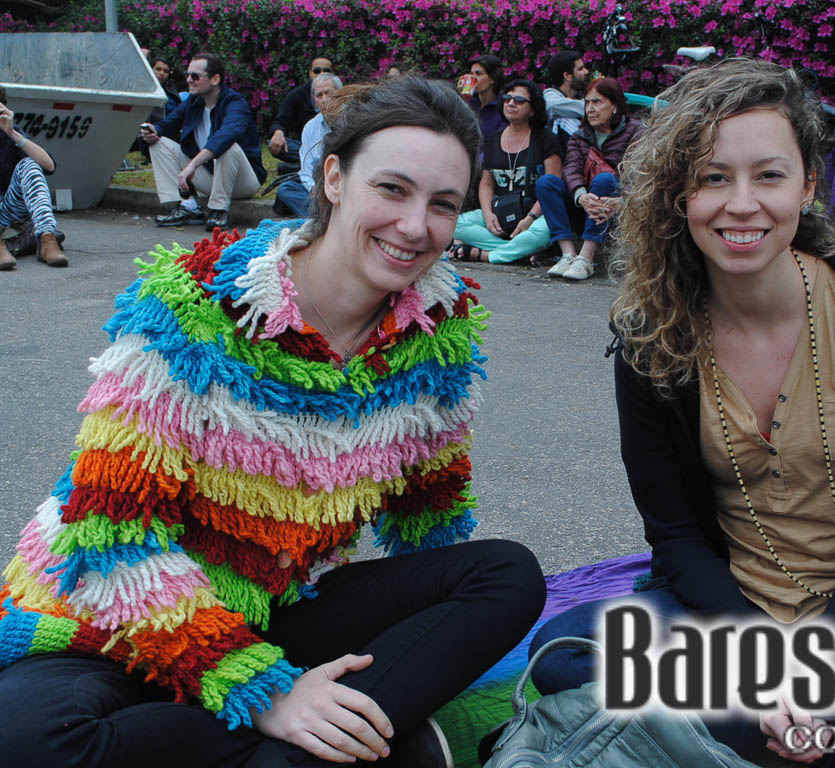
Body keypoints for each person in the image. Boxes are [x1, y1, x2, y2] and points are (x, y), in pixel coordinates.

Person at [0, 75, 546, 768]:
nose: (417, 227)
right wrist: (267, 694)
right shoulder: (191, 300)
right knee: (25, 740)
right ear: (334, 178)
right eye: (393, 190)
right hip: (116, 614)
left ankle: (318, 732)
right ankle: (321, 741)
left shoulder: (438, 328)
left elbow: (429, 511)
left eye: (444, 204)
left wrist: (430, 638)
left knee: (506, 574)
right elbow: (112, 539)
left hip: (276, 604)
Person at [529, 58, 835, 768]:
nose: (741, 203)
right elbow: (677, 536)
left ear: (808, 185)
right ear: (679, 193)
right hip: (724, 623)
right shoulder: (651, 335)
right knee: (567, 658)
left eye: (769, 175)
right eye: (713, 177)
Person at [141, 52, 267, 232]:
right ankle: (188, 206)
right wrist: (154, 131)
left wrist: (192, 165)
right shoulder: (194, 102)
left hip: (243, 182)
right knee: (159, 143)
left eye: (195, 76)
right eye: (187, 75)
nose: (189, 80)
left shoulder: (235, 103)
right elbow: (170, 122)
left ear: (215, 79)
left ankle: (219, 209)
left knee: (227, 146)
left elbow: (227, 134)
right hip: (210, 176)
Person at [536, 77, 642, 281]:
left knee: (604, 180)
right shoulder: (580, 136)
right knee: (546, 183)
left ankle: (587, 256)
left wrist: (622, 201)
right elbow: (572, 170)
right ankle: (568, 254)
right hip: (587, 206)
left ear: (615, 106)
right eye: (587, 103)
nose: (590, 109)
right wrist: (581, 197)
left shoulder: (636, 131)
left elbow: (639, 173)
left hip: (618, 209)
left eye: (597, 102)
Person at [449, 79, 561, 265]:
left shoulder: (545, 138)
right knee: (454, 223)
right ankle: (518, 251)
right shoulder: (493, 140)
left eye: (519, 100)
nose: (511, 103)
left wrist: (530, 218)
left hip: (535, 214)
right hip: (500, 211)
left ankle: (485, 255)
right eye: (508, 98)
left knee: (544, 232)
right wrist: (487, 214)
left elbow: (553, 185)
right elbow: (486, 183)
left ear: (532, 109)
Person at [0, 87, 68, 269]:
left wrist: (13, 134)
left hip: (7, 211)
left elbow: (49, 165)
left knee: (29, 164)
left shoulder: (7, 132)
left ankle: (47, 239)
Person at [274, 73, 341, 218]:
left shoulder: (354, 120)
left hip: (344, 187)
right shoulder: (311, 128)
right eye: (319, 95)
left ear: (340, 94)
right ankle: (323, 217)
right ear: (314, 101)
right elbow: (305, 169)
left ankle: (324, 217)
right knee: (286, 189)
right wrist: (313, 188)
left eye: (329, 93)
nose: (324, 100)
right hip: (319, 190)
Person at [267, 56, 336, 165]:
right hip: (304, 146)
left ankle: (296, 167)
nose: (321, 74)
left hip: (333, 147)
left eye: (326, 71)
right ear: (310, 73)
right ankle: (316, 165)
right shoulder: (296, 95)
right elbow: (281, 120)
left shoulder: (340, 94)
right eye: (317, 71)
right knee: (277, 144)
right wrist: (278, 132)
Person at [543, 50, 589, 153]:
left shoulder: (581, 95)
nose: (586, 72)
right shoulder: (551, 96)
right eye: (581, 69)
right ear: (567, 76)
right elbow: (551, 105)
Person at [467, 55, 507, 139]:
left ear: (492, 79)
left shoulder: (503, 107)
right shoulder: (468, 102)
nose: (472, 78)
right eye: (471, 74)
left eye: (478, 74)